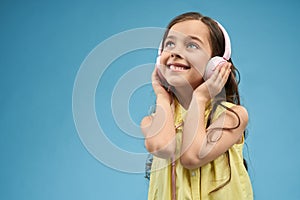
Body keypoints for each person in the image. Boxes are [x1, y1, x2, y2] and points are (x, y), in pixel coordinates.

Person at [140, 12, 253, 200]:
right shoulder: (152, 122)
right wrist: (162, 95)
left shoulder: (232, 116)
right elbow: (164, 146)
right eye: (170, 44)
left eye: (191, 45)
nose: (175, 52)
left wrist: (200, 99)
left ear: (215, 65)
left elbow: (192, 157)